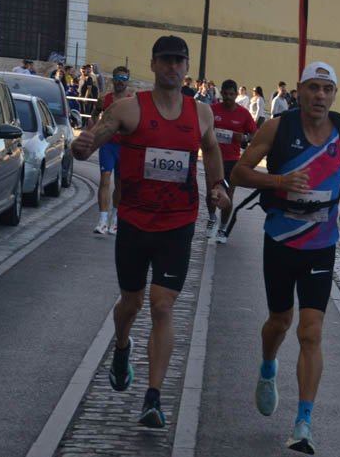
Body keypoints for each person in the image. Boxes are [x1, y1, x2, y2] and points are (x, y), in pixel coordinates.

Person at [70, 35, 230, 428]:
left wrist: (217, 185)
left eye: (180, 61)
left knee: (162, 305)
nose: (173, 67)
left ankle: (153, 397)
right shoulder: (130, 109)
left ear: (187, 67)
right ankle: (122, 346)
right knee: (132, 303)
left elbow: (210, 149)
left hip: (177, 222)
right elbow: (93, 142)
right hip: (136, 222)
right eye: (166, 60)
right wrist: (82, 146)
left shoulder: (201, 113)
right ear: (155, 65)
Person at [231, 61, 340, 455]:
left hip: (321, 245)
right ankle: (267, 365)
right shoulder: (279, 128)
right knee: (280, 321)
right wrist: (278, 181)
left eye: (327, 90)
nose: (320, 96)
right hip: (280, 239)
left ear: (334, 95)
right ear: (300, 91)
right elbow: (239, 173)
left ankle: (304, 422)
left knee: (311, 332)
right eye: (313, 88)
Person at [206, 79, 258, 243]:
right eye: (225, 94)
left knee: (228, 196)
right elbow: (203, 129)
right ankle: (212, 217)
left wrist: (245, 137)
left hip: (232, 161)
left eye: (231, 94)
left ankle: (222, 229)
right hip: (213, 159)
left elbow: (254, 135)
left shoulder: (243, 114)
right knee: (211, 193)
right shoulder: (212, 110)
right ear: (221, 93)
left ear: (236, 95)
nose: (228, 97)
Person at [90, 65, 132, 235]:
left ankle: (115, 219)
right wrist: (92, 130)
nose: (120, 82)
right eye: (118, 78)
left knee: (121, 184)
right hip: (107, 145)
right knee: (105, 180)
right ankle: (102, 221)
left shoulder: (132, 102)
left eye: (123, 79)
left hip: (124, 148)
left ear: (127, 82)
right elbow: (94, 114)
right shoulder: (104, 100)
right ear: (112, 79)